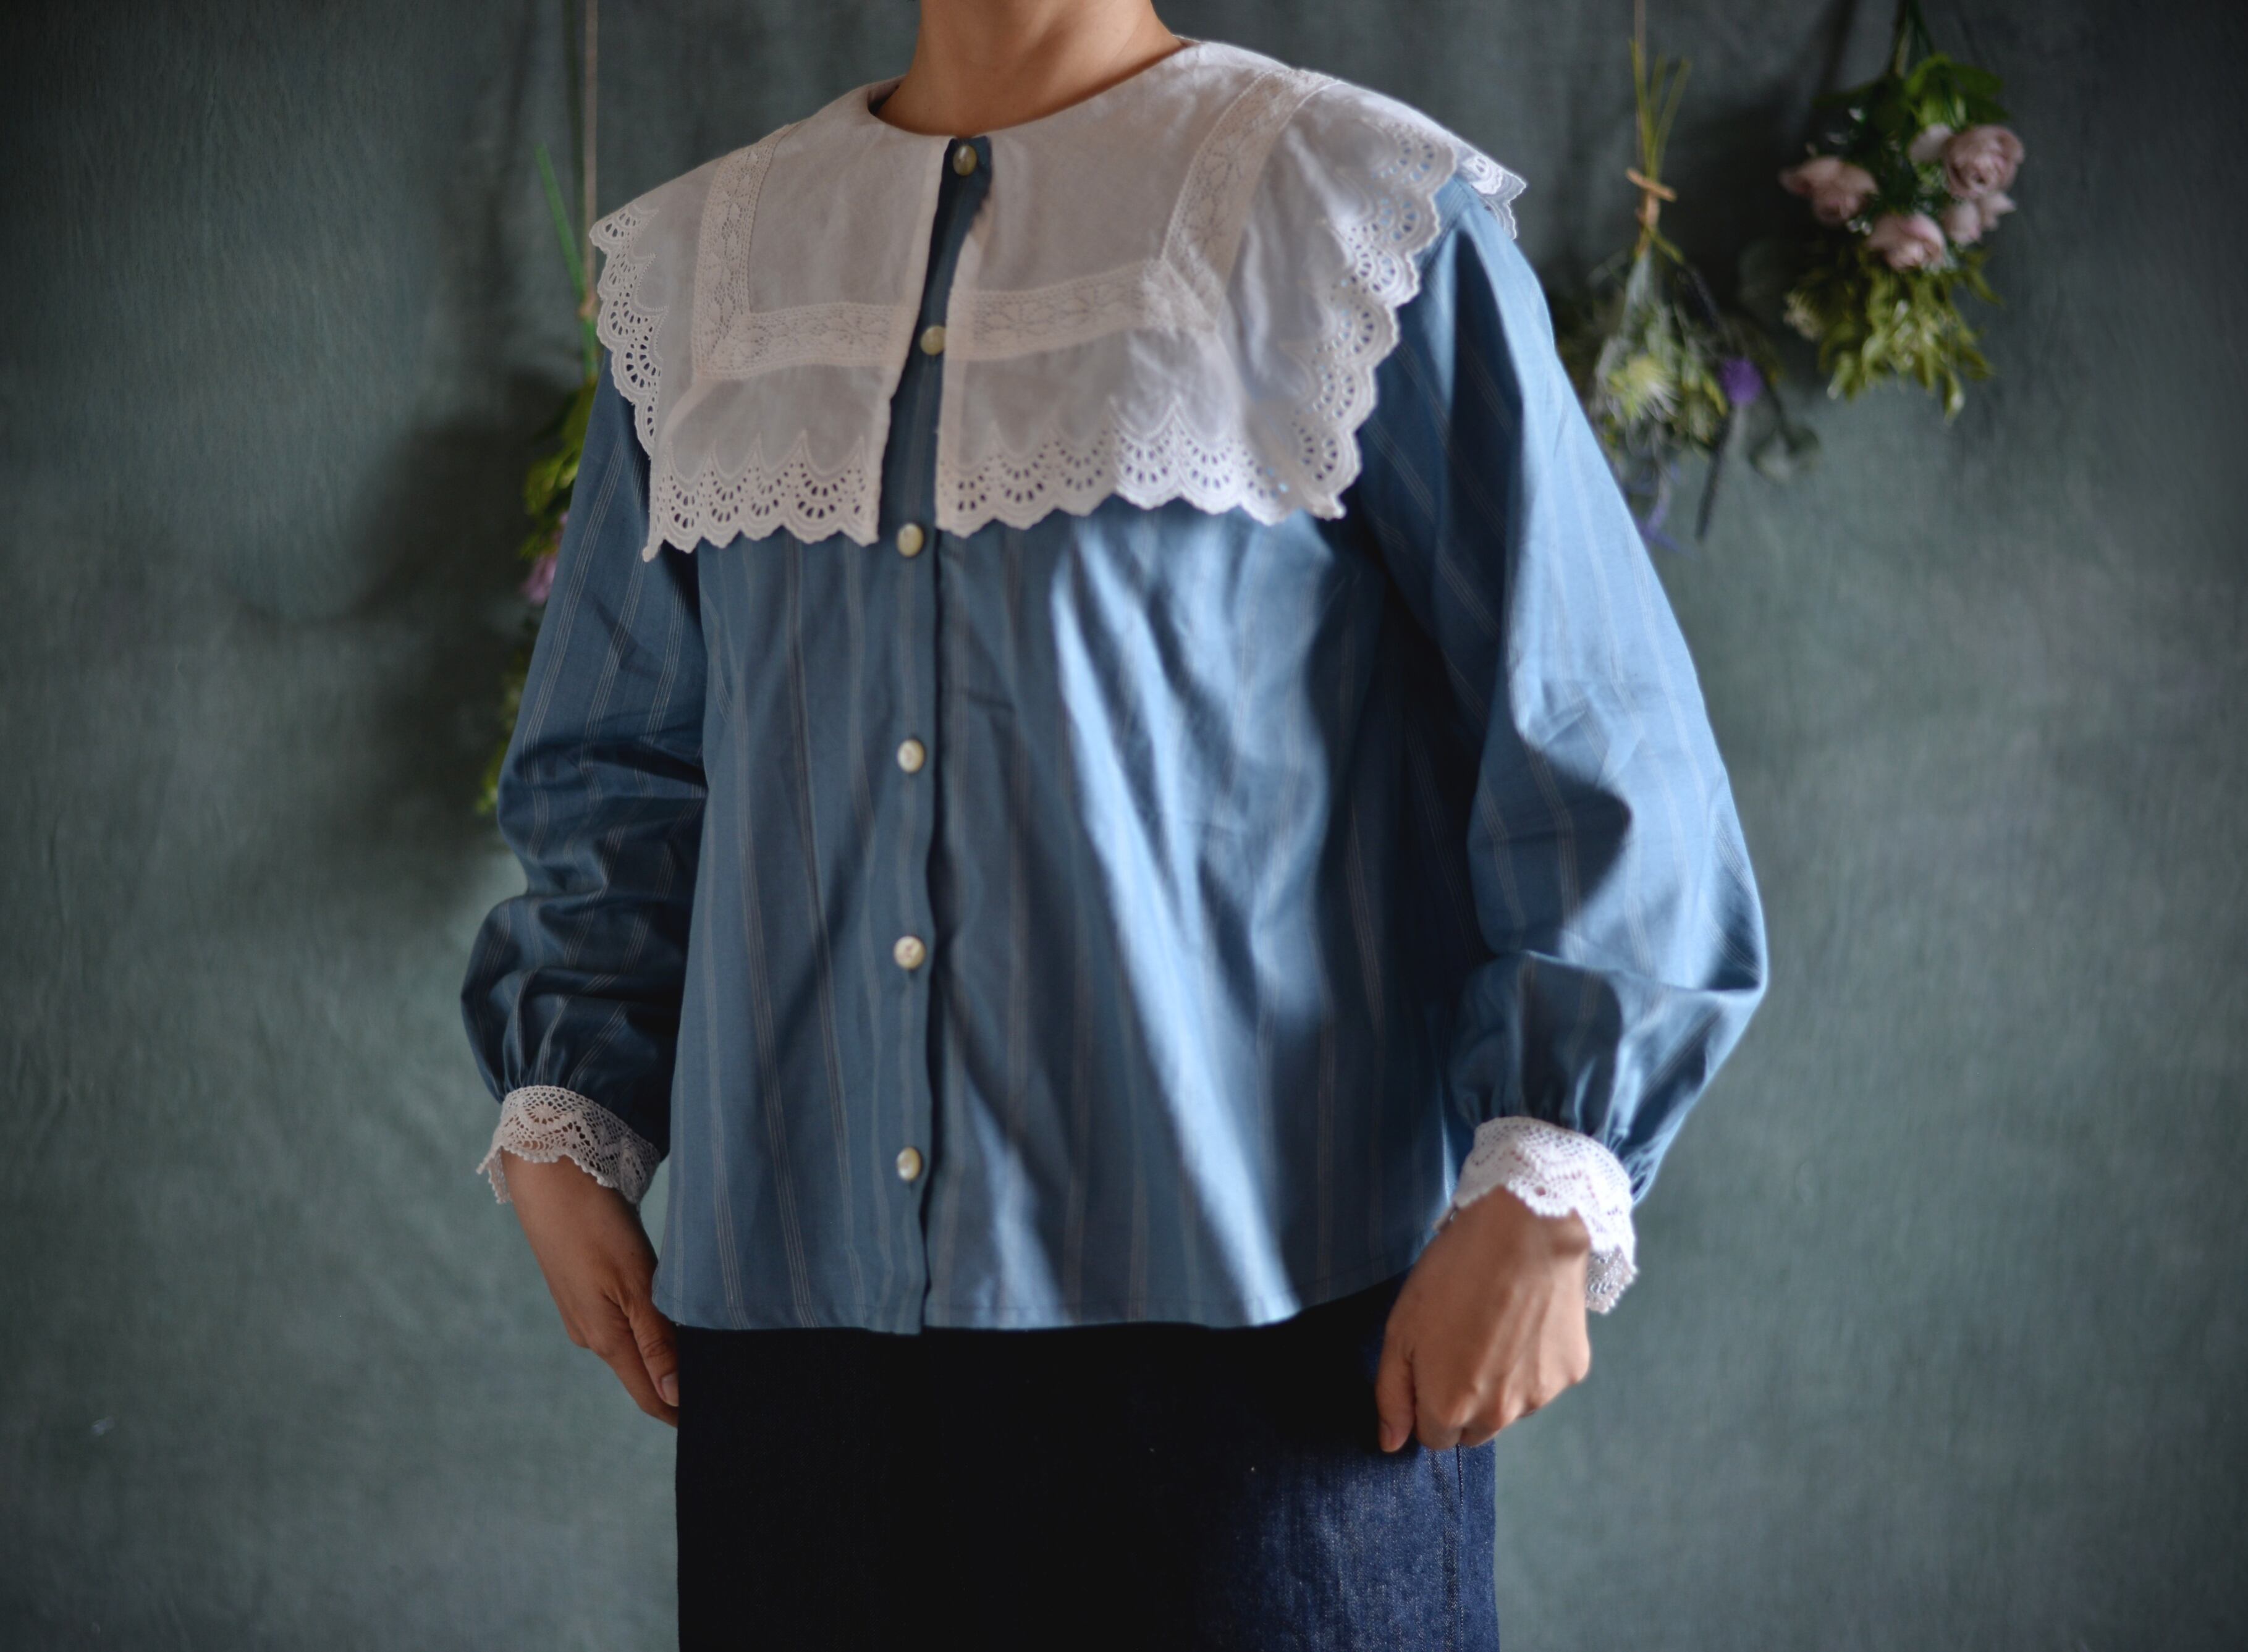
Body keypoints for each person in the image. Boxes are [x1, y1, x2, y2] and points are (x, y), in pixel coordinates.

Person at [462, 2, 1767, 1645]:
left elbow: (1592, 728)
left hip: (1256, 1365)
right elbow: (619, 757)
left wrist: (1551, 1180)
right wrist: (567, 1109)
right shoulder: (695, 270)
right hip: (800, 1369)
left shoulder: (1357, 217)